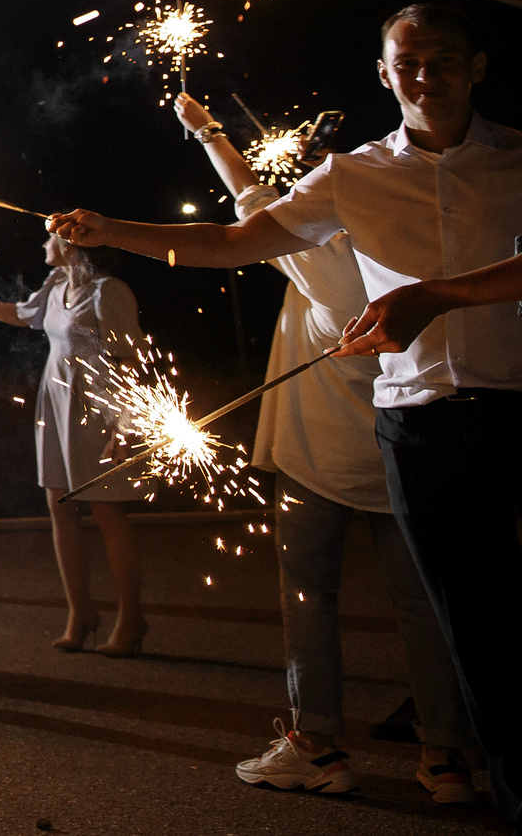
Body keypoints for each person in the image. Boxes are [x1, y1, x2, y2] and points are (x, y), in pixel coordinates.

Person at [51, 3, 520, 822]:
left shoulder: (516, 160)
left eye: (443, 58)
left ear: (478, 65)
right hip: (418, 424)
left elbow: (246, 208)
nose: (425, 76)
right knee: (467, 619)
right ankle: (455, 760)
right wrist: (113, 229)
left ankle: (377, 745)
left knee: (405, 604)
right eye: (407, 63)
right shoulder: (353, 178)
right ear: (384, 74)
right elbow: (240, 235)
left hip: (497, 413)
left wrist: (437, 295)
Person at [171, 92, 478, 803]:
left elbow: (250, 203)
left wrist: (208, 131)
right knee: (422, 604)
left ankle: (318, 744)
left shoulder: (319, 255)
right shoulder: (401, 248)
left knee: (309, 597)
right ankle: (447, 759)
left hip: (320, 459)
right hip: (405, 447)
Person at [0, 237, 148, 656]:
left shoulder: (109, 292)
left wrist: (125, 427)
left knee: (108, 512)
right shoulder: (56, 285)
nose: (43, 241)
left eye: (51, 235)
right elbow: (22, 316)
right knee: (60, 508)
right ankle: (81, 612)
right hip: (56, 404)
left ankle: (131, 619)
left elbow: (132, 359)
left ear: (75, 245)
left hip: (99, 409)